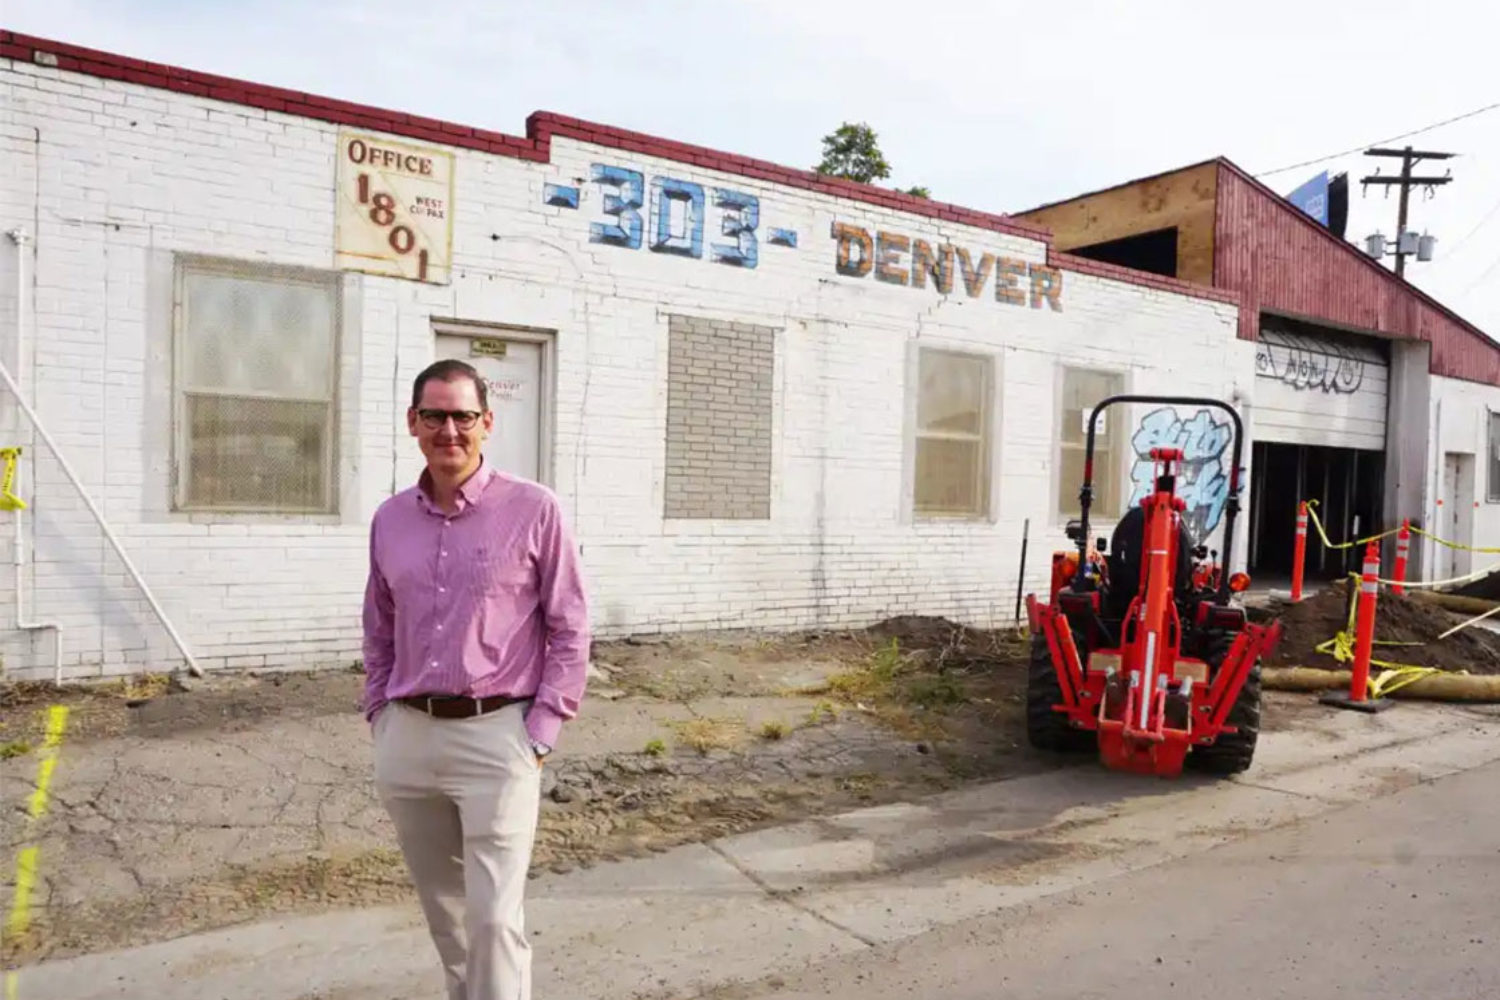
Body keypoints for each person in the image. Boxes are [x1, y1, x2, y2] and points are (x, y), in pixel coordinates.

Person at [361, 357, 590, 1000]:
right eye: (434, 415)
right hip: (408, 736)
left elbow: (571, 625)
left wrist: (541, 729)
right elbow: (379, 624)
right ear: (413, 422)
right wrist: (380, 714)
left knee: (492, 920)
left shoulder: (535, 509)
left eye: (463, 416)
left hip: (499, 736)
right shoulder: (389, 519)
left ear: (487, 423)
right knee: (449, 919)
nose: (449, 430)